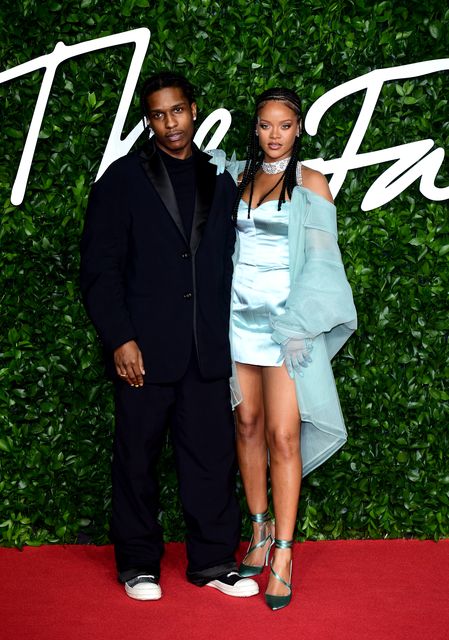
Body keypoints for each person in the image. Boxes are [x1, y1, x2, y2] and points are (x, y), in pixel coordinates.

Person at [79, 71, 259, 601]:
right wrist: (119, 339)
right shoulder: (122, 179)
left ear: (194, 110)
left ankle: (211, 562)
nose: (169, 123)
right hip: (144, 350)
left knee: (210, 458)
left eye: (176, 111)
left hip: (205, 348)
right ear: (147, 120)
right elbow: (99, 269)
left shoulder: (217, 177)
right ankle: (138, 564)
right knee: (136, 458)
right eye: (157, 114)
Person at [229, 88, 357, 610]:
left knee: (284, 435)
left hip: (287, 328)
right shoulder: (234, 176)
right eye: (265, 125)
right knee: (247, 424)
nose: (274, 134)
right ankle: (258, 530)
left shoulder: (312, 183)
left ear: (298, 128)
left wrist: (301, 324)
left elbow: (325, 265)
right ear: (255, 127)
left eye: (284, 125)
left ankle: (283, 551)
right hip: (237, 322)